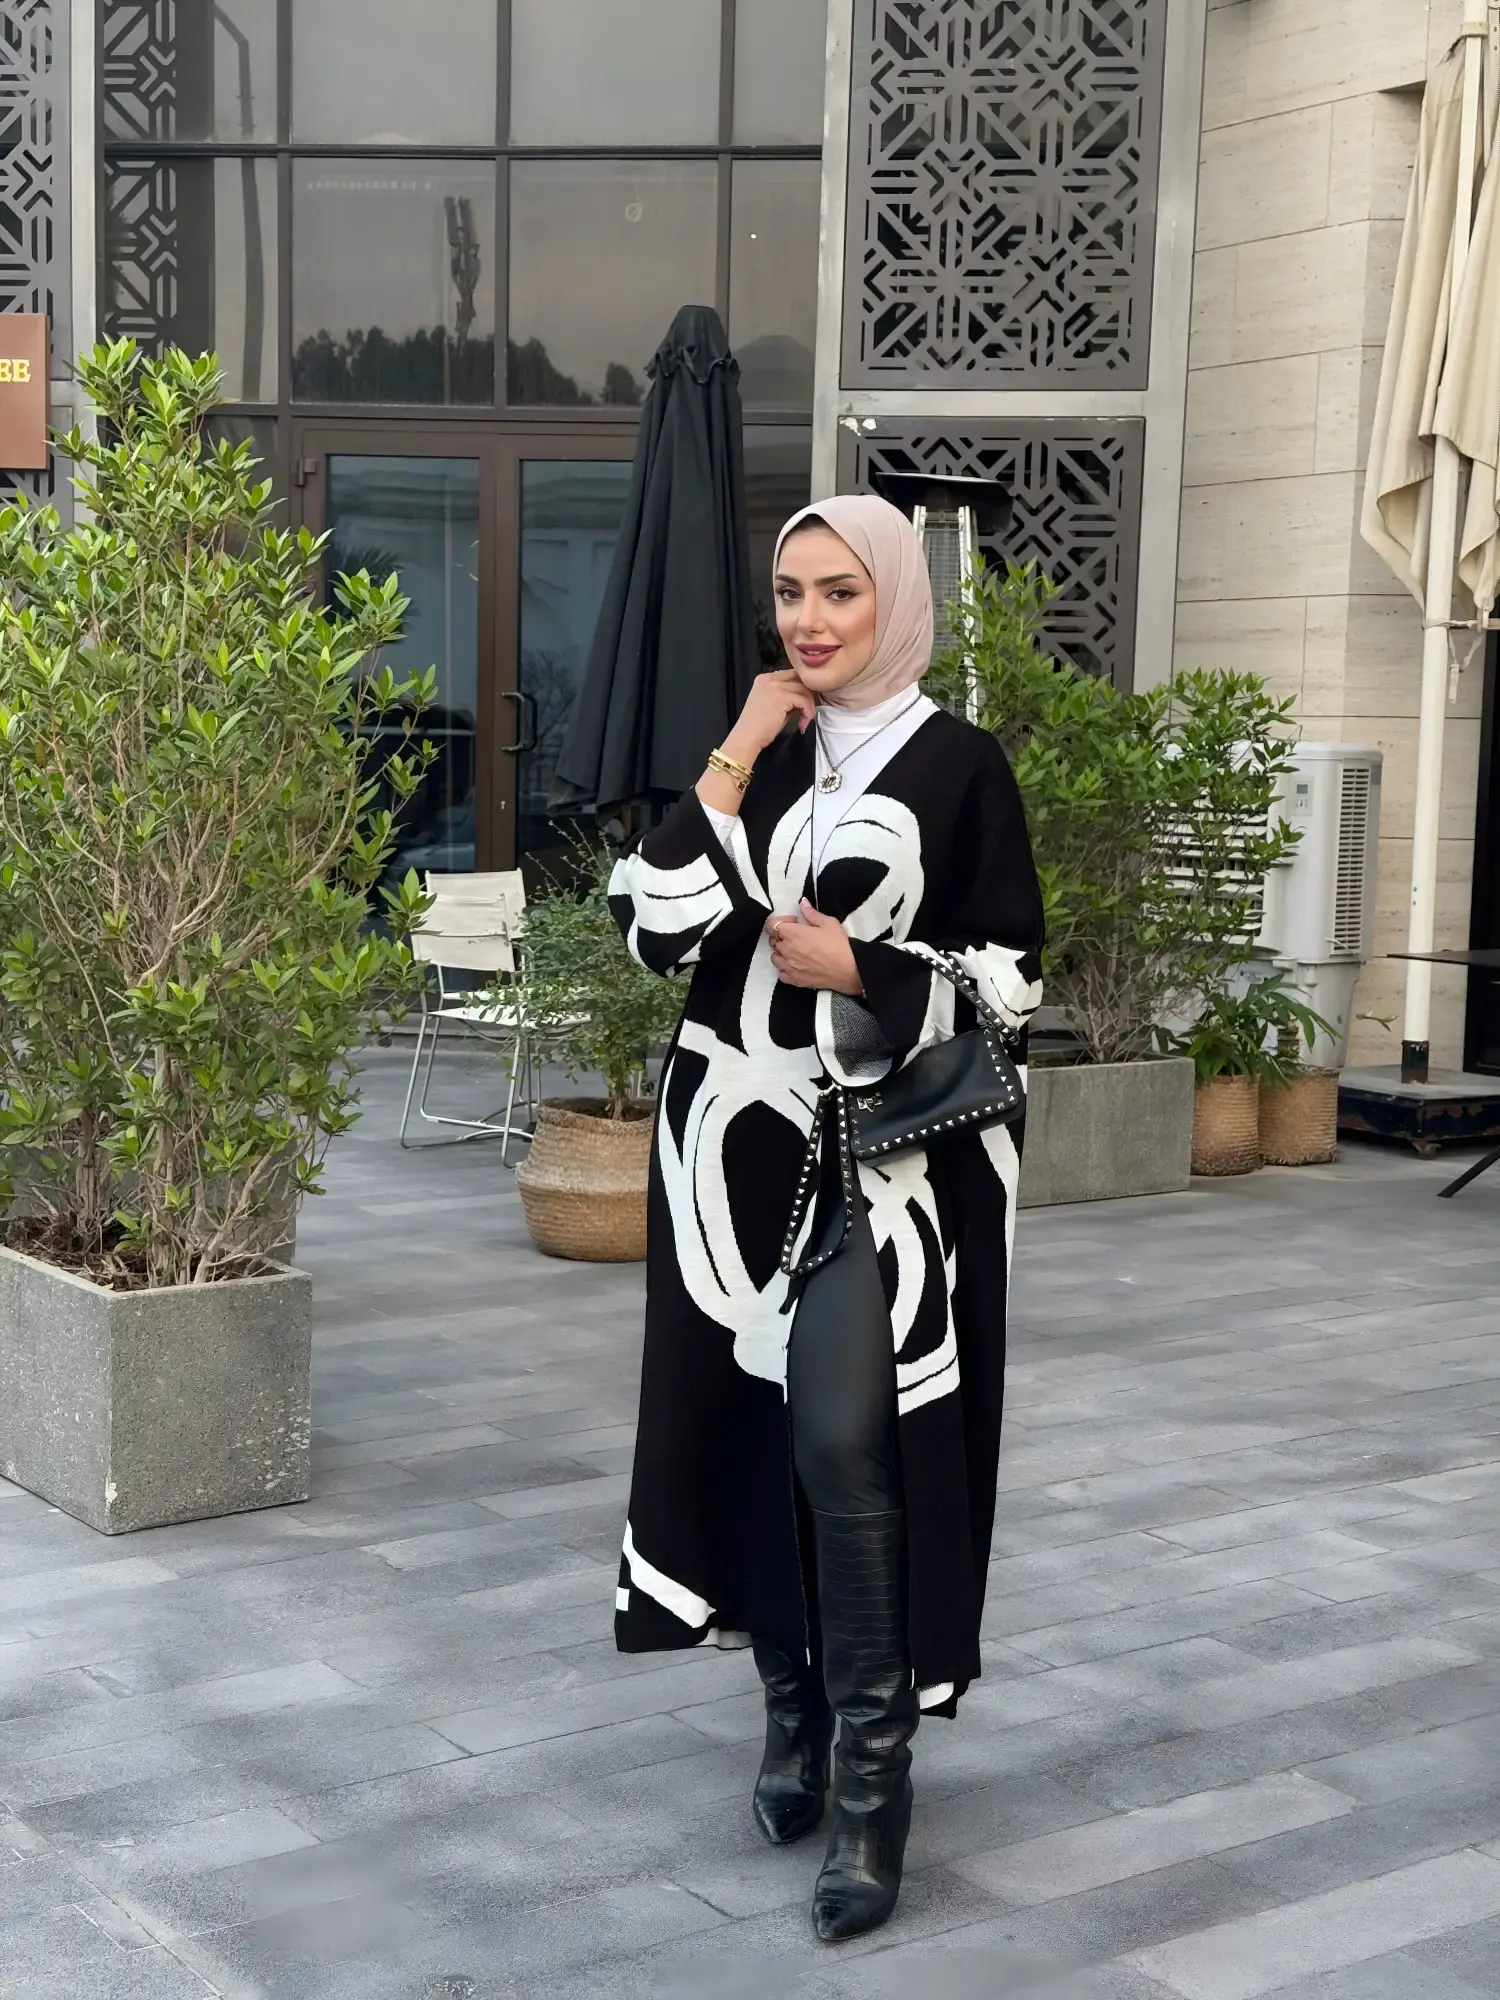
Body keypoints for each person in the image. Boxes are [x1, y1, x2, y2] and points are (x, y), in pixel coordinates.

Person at [607, 493, 1044, 1940]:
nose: (808, 619)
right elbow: (653, 925)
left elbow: (1015, 981)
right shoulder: (766, 749)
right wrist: (738, 745)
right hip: (730, 1156)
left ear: (894, 601)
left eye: (840, 592)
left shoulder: (962, 765)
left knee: (848, 1442)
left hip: (887, 1171)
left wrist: (863, 969)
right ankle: (788, 1710)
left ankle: (871, 1784)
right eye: (791, 591)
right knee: (749, 1424)